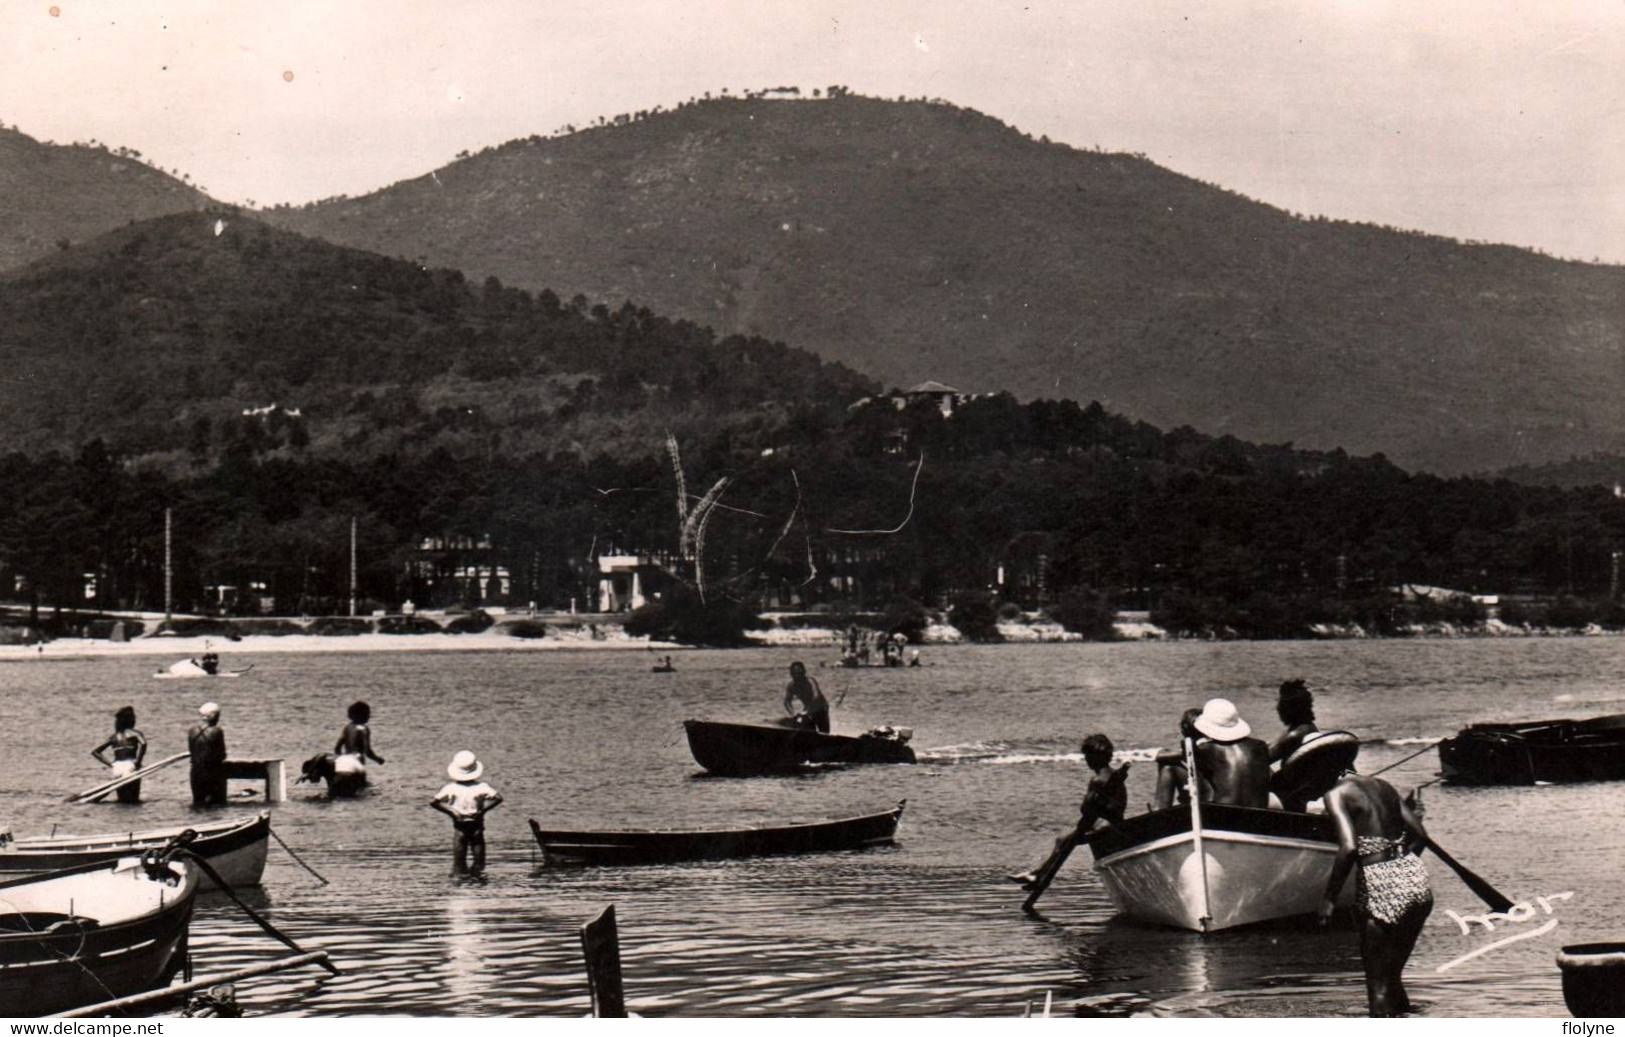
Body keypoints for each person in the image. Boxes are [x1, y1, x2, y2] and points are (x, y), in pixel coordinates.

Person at [1317, 766, 1433, 1017]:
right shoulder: (1384, 786)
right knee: (1392, 977)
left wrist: (1329, 899)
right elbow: (1421, 835)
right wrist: (1400, 866)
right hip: (1415, 876)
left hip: (1380, 881)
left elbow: (1348, 847)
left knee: (1377, 985)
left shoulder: (1336, 793)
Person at [1007, 733, 1129, 889]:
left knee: (1062, 841)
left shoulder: (1097, 780)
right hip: (1113, 823)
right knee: (1062, 840)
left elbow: (1086, 808)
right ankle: (1037, 874)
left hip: (1102, 826)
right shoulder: (1115, 776)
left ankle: (1038, 876)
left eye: (1087, 756)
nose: (1086, 760)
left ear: (1094, 757)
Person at [432, 750, 503, 875]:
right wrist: (482, 811)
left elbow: (434, 802)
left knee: (458, 863)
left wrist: (452, 812)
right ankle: (477, 882)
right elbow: (498, 798)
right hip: (476, 823)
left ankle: (460, 882)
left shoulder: (451, 788)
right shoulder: (482, 787)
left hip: (460, 825)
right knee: (479, 863)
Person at [1191, 698, 1271, 808]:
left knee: (1172, 767)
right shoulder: (1260, 746)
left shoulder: (1206, 749)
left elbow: (1184, 756)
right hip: (1258, 816)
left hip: (1225, 816)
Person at [91, 706, 148, 804]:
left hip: (117, 767)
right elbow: (143, 743)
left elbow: (95, 752)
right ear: (131, 720)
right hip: (131, 766)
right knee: (134, 800)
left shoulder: (113, 737)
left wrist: (110, 764)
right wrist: (138, 762)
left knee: (121, 800)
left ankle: (98, 798)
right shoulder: (134, 733)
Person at [1152, 707, 1207, 809]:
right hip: (1222, 814)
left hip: (1188, 816)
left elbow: (1160, 808)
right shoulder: (1223, 756)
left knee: (1168, 765)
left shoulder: (1172, 764)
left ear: (1183, 730)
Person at [334, 700, 385, 785]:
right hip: (357, 759)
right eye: (367, 713)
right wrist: (378, 759)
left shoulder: (347, 727)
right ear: (362, 715)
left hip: (346, 758)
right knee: (365, 787)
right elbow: (367, 751)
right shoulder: (364, 729)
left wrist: (341, 759)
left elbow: (337, 748)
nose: (369, 716)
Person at [188, 702, 228, 807]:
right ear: (212, 716)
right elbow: (222, 754)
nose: (218, 719)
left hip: (195, 771)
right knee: (216, 804)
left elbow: (191, 750)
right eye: (218, 716)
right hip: (212, 771)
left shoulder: (192, 731)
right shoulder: (216, 731)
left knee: (198, 802)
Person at [1269, 678, 1319, 763]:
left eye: (1281, 704)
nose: (1277, 708)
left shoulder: (1295, 735)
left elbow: (1262, 759)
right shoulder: (1309, 727)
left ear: (1289, 709)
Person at [783, 660, 831, 733]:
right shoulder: (791, 685)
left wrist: (806, 711)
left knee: (824, 733)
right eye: (794, 674)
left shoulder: (810, 681)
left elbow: (816, 696)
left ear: (804, 673)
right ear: (791, 674)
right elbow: (787, 701)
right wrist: (793, 713)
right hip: (808, 711)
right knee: (809, 733)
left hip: (821, 709)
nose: (797, 676)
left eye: (799, 673)